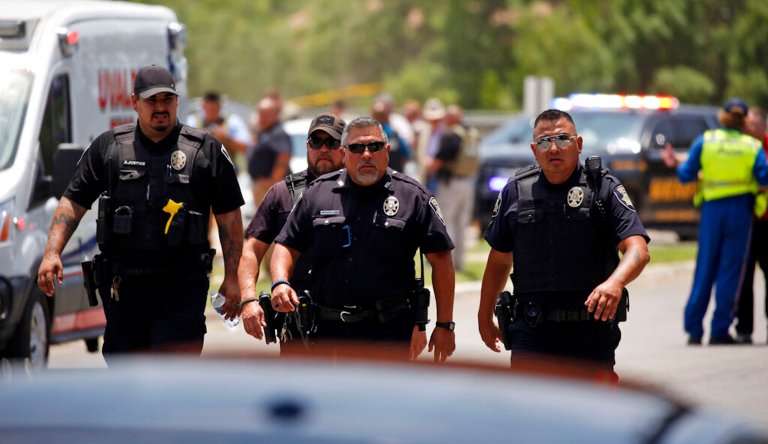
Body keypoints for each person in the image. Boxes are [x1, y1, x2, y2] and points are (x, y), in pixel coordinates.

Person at [37, 65, 244, 361]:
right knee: (126, 381)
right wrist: (51, 252)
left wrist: (233, 277)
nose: (160, 107)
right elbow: (73, 201)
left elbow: (229, 217)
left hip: (181, 288)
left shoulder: (205, 150)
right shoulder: (109, 148)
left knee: (171, 378)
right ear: (135, 102)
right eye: (151, 100)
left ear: (176, 101)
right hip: (125, 290)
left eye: (167, 99)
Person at [478, 109, 650, 379]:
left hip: (589, 333)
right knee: (530, 415)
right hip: (531, 332)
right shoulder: (515, 191)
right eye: (545, 142)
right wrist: (483, 315)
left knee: (592, 415)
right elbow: (499, 260)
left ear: (578, 144)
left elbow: (638, 249)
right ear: (535, 150)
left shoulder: (603, 187)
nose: (553, 148)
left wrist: (614, 283)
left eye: (562, 139)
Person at [269, 116, 456, 362]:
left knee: (383, 401)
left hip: (389, 332)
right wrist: (280, 282)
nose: (366, 154)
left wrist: (444, 326)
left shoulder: (413, 196)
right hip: (327, 332)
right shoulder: (317, 194)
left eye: (374, 146)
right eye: (356, 148)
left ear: (387, 151)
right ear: (344, 154)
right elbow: (286, 245)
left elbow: (441, 260)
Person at [662, 98, 768, 345]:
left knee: (705, 269)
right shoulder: (752, 146)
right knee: (730, 271)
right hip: (740, 211)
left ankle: (694, 330)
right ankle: (720, 330)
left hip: (712, 212)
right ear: (744, 120)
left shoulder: (706, 141)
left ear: (722, 116)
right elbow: (764, 180)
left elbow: (686, 174)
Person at [238, 114, 346, 347]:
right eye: (316, 142)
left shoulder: (360, 191)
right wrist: (248, 299)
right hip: (299, 320)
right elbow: (251, 250)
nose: (323, 149)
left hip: (351, 321)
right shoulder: (283, 193)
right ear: (308, 146)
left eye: (332, 142)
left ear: (345, 148)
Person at [429, 105, 479, 271]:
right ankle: (460, 263)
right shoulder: (471, 133)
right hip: (468, 182)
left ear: (451, 119)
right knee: (461, 224)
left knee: (447, 221)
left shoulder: (452, 135)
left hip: (452, 183)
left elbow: (439, 160)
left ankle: (447, 261)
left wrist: (428, 170)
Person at [735, 106, 768, 344]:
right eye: (746, 126)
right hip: (746, 223)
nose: (748, 130)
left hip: (767, 223)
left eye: (753, 126)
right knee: (743, 278)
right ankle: (744, 330)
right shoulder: (743, 147)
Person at [247, 95, 292, 211]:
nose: (262, 118)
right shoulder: (264, 132)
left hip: (270, 188)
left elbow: (284, 158)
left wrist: (271, 182)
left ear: (276, 115)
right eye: (260, 114)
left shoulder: (278, 133)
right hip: (262, 187)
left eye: (266, 114)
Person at [186, 91, 252, 158]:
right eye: (209, 109)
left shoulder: (232, 122)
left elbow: (245, 148)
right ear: (203, 107)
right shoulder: (192, 121)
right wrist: (200, 135)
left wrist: (226, 138)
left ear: (220, 107)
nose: (212, 112)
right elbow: (183, 143)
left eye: (214, 109)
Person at [371, 99, 411, 173]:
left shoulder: (369, 134)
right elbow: (406, 154)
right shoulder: (392, 132)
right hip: (393, 173)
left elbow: (405, 152)